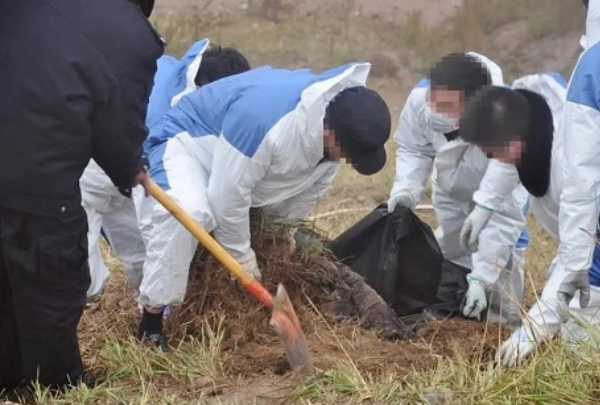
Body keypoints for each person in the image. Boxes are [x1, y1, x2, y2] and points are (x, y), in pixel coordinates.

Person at [137, 62, 391, 349]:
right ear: (329, 134)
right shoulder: (263, 121)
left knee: (241, 225)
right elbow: (227, 196)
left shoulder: (333, 137)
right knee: (193, 214)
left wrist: (280, 236)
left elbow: (306, 191)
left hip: (237, 166)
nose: (344, 160)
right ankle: (152, 322)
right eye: (347, 154)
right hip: (188, 145)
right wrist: (242, 258)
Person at [0, 0, 163, 392]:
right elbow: (119, 122)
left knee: (7, 280)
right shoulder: (131, 35)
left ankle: (8, 377)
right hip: (35, 176)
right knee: (52, 283)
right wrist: (129, 166)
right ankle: (56, 386)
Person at [83, 39, 251, 302]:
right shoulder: (159, 107)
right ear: (204, 85)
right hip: (87, 176)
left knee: (144, 259)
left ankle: (147, 317)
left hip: (131, 179)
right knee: (84, 280)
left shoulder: (181, 79)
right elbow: (163, 186)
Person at [458, 72, 600, 367]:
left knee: (581, 336)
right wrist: (485, 204)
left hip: (594, 241)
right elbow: (509, 161)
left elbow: (579, 253)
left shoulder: (574, 169)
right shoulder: (530, 116)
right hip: (582, 238)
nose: (495, 158)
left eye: (495, 151)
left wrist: (533, 329)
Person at [387, 52, 529, 326]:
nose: (438, 112)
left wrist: (483, 276)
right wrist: (406, 188)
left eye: (449, 108)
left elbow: (503, 212)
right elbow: (414, 147)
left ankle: (501, 324)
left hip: (499, 201)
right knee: (454, 250)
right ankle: (453, 313)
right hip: (450, 186)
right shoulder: (420, 100)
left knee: (501, 284)